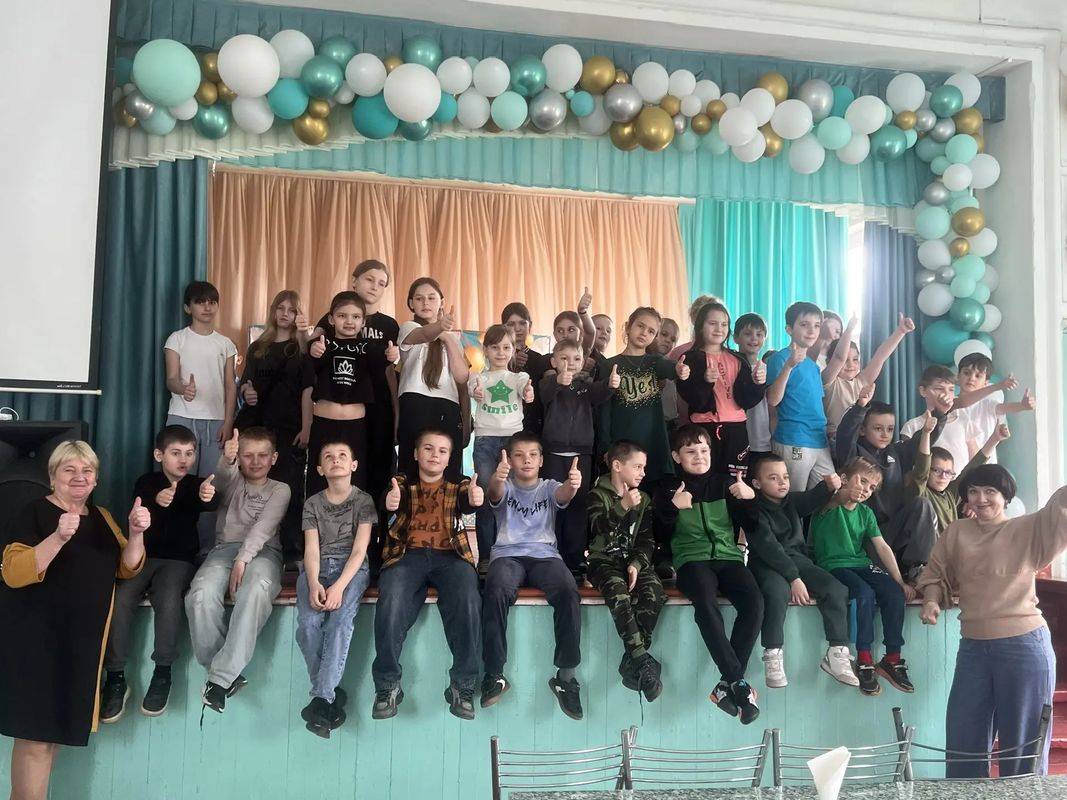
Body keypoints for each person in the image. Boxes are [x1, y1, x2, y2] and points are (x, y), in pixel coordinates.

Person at [1, 441, 147, 800]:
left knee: (53, 740)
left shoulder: (102, 517)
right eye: (69, 470)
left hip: (79, 646)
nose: (79, 477)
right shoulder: (33, 513)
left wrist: (137, 534)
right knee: (36, 740)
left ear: (96, 479)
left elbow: (126, 567)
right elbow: (13, 572)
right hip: (35, 644)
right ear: (53, 477)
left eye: (87, 470)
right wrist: (58, 537)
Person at [918, 466, 1067, 779]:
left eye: (990, 491)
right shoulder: (957, 532)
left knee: (1024, 749)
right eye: (973, 491)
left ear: (1006, 496)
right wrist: (931, 601)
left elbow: (1059, 507)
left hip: (1024, 646)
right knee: (963, 743)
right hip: (973, 649)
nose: (981, 498)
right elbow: (936, 574)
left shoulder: (1027, 528)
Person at [100, 425, 218, 723]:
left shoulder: (196, 485)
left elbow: (209, 500)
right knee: (121, 597)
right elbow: (148, 497)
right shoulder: (147, 482)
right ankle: (115, 677)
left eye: (189, 453)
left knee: (168, 598)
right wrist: (160, 498)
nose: (183, 459)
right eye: (176, 453)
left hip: (179, 561)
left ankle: (162, 672)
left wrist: (207, 495)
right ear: (159, 455)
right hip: (143, 558)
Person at [655, 425, 763, 725]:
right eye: (690, 451)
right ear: (677, 456)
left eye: (704, 450)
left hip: (729, 557)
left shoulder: (727, 484)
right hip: (691, 560)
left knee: (755, 603)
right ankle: (736, 681)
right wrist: (673, 509)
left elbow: (752, 525)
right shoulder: (668, 488)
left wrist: (750, 498)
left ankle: (728, 684)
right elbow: (659, 536)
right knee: (705, 601)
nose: (699, 456)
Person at [372, 430, 483, 721]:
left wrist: (474, 499)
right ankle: (387, 685)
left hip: (451, 558)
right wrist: (390, 501)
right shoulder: (402, 482)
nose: (435, 455)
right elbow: (390, 499)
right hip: (407, 556)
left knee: (468, 598)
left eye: (442, 451)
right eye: (428, 449)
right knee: (391, 598)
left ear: (449, 458)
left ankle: (463, 685)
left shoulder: (459, 484)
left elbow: (466, 500)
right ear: (415, 453)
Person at [185, 427, 290, 714]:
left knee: (254, 590)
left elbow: (264, 528)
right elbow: (220, 481)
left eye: (262, 455)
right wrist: (227, 460)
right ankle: (223, 676)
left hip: (264, 552)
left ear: (274, 458)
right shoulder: (234, 481)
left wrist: (243, 560)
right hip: (224, 550)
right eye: (247, 455)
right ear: (240, 457)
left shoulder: (280, 489)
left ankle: (218, 680)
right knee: (199, 594)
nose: (255, 462)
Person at [481, 433, 584, 719]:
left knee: (568, 591)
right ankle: (494, 674)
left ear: (541, 460)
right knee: (495, 589)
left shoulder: (549, 487)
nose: (526, 460)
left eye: (533, 455)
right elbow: (494, 494)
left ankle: (566, 678)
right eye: (519, 455)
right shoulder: (505, 486)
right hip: (508, 556)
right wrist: (497, 478)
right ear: (509, 460)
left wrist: (573, 485)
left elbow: (563, 495)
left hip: (545, 556)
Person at [308, 260, 401, 570]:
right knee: (327, 478)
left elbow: (390, 372)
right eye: (369, 279)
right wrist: (308, 342)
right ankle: (322, 549)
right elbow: (310, 354)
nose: (375, 286)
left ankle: (369, 550)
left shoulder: (387, 327)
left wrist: (396, 414)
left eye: (381, 283)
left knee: (368, 479)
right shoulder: (328, 325)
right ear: (355, 281)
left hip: (371, 415)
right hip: (331, 415)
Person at [745, 455, 857, 689]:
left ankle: (837, 651)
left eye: (785, 476)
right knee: (776, 592)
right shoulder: (753, 510)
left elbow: (811, 499)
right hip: (766, 563)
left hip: (797, 560)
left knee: (835, 588)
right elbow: (769, 547)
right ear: (756, 483)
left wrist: (828, 485)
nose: (782, 482)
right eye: (773, 478)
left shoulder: (791, 502)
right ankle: (773, 652)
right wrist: (793, 578)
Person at [811, 456, 916, 697]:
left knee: (893, 593)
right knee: (863, 594)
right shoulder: (828, 503)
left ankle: (892, 658)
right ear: (844, 479)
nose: (866, 489)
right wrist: (844, 491)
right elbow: (837, 498)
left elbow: (882, 547)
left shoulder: (866, 513)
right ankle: (864, 659)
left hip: (861, 563)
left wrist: (900, 581)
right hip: (833, 565)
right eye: (862, 482)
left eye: (872, 487)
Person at [296, 441, 375, 738]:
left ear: (354, 465)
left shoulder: (363, 501)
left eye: (343, 455)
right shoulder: (312, 503)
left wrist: (340, 586)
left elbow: (359, 550)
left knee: (340, 623)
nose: (336, 460)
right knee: (308, 624)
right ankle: (326, 698)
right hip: (317, 568)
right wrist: (314, 582)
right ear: (320, 469)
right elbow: (311, 549)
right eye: (328, 457)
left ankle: (322, 697)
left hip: (351, 569)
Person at [835, 384, 947, 579]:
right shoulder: (853, 454)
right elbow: (845, 435)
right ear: (862, 430)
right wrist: (860, 407)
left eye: (890, 429)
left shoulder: (897, 452)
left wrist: (941, 414)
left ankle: (919, 567)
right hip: (865, 533)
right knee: (885, 581)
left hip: (893, 527)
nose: (885, 434)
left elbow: (920, 441)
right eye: (878, 428)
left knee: (921, 504)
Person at [587, 441, 666, 701]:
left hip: (632, 561)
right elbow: (598, 529)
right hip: (603, 561)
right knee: (619, 595)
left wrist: (636, 564)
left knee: (654, 591)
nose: (643, 473)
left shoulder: (643, 499)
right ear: (617, 466)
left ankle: (632, 660)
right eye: (638, 467)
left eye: (644, 467)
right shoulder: (597, 495)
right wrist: (622, 506)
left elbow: (647, 540)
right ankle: (641, 659)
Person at [236, 289, 311, 560]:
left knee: (289, 487)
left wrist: (307, 426)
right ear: (273, 311)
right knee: (253, 485)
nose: (285, 314)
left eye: (292, 310)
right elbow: (246, 382)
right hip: (257, 424)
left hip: (290, 426)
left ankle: (291, 551)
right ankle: (249, 544)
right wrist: (247, 392)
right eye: (281, 308)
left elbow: (308, 390)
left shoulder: (303, 348)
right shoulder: (259, 346)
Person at [163, 280, 238, 553]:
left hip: (216, 422)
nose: (207, 307)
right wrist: (184, 389)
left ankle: (206, 552)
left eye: (212, 302)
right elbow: (171, 379)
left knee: (210, 487)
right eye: (200, 302)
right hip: (181, 417)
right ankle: (175, 548)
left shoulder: (225, 344)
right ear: (188, 308)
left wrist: (228, 422)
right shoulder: (177, 339)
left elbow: (231, 386)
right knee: (177, 483)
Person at [540, 339, 618, 574]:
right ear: (553, 361)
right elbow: (544, 393)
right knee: (553, 503)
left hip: (581, 454)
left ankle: (575, 558)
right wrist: (557, 381)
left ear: (583, 362)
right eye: (564, 358)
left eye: (576, 359)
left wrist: (611, 385)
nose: (570, 363)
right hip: (553, 454)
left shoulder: (585, 387)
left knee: (578, 505)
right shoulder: (548, 383)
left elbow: (600, 392)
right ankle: (550, 553)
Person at [676, 301, 767, 480]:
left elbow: (747, 400)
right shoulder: (690, 358)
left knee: (736, 480)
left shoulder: (738, 358)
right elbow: (693, 399)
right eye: (712, 323)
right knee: (703, 477)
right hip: (704, 428)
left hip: (736, 428)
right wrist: (705, 382)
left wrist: (758, 383)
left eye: (724, 324)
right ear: (700, 326)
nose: (719, 329)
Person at [468, 325, 533, 568]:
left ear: (514, 350)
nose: (501, 352)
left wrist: (528, 393)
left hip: (513, 442)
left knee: (513, 497)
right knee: (486, 498)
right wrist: (476, 393)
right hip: (485, 440)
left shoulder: (519, 377)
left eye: (506, 347)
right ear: (485, 350)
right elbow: (474, 390)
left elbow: (526, 389)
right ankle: (486, 558)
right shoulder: (478, 378)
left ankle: (512, 554)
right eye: (495, 347)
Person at [396, 278, 469, 481]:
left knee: (447, 467)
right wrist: (440, 329)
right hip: (415, 402)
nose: (425, 303)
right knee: (411, 465)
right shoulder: (408, 327)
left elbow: (462, 376)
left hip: (447, 405)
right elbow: (423, 335)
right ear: (411, 303)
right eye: (419, 299)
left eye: (431, 298)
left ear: (441, 302)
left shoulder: (453, 339)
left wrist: (447, 337)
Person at [305, 292, 375, 495]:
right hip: (324, 422)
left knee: (355, 479)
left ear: (363, 321)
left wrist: (391, 355)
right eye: (342, 315)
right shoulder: (322, 345)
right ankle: (314, 517)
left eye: (356, 317)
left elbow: (387, 364)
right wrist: (313, 349)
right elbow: (310, 361)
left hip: (356, 424)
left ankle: (356, 518)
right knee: (319, 477)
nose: (349, 321)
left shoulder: (369, 349)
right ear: (331, 319)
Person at [765, 302, 834, 490]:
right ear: (789, 329)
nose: (812, 330)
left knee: (829, 492)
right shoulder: (779, 359)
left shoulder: (813, 366)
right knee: (793, 496)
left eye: (817, 325)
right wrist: (789, 366)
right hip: (793, 438)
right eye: (804, 324)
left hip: (819, 439)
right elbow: (773, 400)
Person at [904, 413, 1009, 533]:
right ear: (928, 470)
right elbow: (921, 470)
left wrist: (995, 439)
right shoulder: (919, 491)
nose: (943, 476)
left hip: (951, 543)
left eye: (948, 472)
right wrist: (926, 433)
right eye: (937, 470)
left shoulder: (950, 494)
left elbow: (972, 467)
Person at [822, 313, 914, 441]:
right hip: (836, 438)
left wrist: (901, 331)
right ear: (828, 362)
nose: (851, 365)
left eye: (855, 359)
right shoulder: (828, 381)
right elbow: (838, 357)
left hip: (859, 438)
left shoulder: (860, 381)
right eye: (845, 361)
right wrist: (849, 330)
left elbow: (880, 357)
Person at [954, 353, 1036, 464]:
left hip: (987, 467)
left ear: (986, 382)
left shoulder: (988, 405)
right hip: (957, 467)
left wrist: (1023, 406)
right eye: (966, 373)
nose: (971, 378)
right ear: (958, 376)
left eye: (978, 376)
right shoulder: (951, 403)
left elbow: (1004, 408)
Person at [501, 301, 552, 435]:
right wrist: (511, 363)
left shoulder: (539, 359)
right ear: (503, 327)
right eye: (511, 324)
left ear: (530, 325)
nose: (517, 328)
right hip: (505, 425)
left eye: (522, 323)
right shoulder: (498, 358)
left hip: (534, 425)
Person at [732, 314, 771, 465]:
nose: (754, 338)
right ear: (735, 337)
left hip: (762, 438)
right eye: (748, 334)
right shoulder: (731, 367)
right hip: (737, 437)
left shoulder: (768, 369)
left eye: (759, 335)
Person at [648, 317, 680, 432]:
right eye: (664, 334)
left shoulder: (671, 365)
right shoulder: (645, 362)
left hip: (672, 422)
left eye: (673, 339)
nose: (668, 341)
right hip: (653, 424)